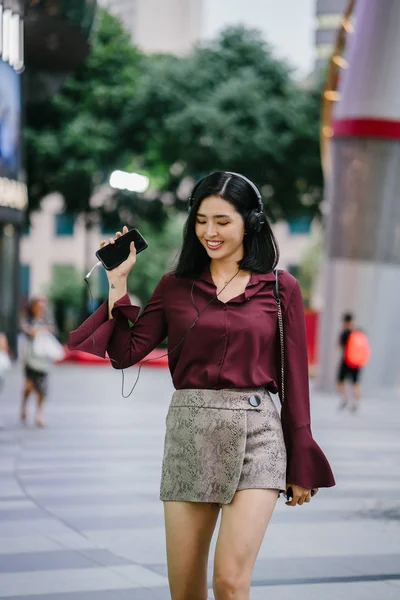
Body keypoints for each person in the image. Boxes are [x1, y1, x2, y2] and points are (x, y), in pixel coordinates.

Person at [69, 172, 335, 600]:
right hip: (191, 434)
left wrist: (300, 454)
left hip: (259, 436)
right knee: (187, 589)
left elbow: (296, 377)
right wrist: (118, 283)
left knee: (230, 582)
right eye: (201, 220)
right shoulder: (174, 286)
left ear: (251, 222)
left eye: (223, 221)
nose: (210, 232)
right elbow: (126, 352)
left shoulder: (282, 288)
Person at [20, 297, 56, 428]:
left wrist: (42, 330)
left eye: (43, 306)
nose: (41, 308)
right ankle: (24, 406)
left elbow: (53, 331)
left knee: (42, 388)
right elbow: (25, 330)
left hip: (43, 358)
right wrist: (36, 331)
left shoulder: (47, 318)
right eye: (39, 306)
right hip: (30, 357)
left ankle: (39, 413)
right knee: (29, 386)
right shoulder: (28, 318)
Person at [337, 312, 362, 412]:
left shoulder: (344, 333)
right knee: (355, 383)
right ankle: (356, 402)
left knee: (340, 381)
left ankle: (345, 398)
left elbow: (339, 346)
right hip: (357, 362)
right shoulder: (357, 332)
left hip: (346, 360)